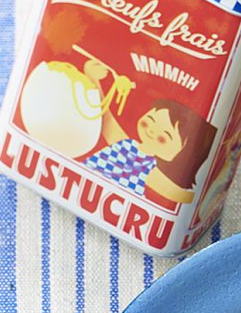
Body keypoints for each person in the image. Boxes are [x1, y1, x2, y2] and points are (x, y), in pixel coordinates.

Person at [82, 59, 216, 205]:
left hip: (114, 204)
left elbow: (179, 194)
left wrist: (210, 193)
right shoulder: (128, 145)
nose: (151, 131)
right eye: (149, 120)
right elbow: (106, 119)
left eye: (163, 138)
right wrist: (92, 79)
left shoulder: (147, 168)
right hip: (83, 184)